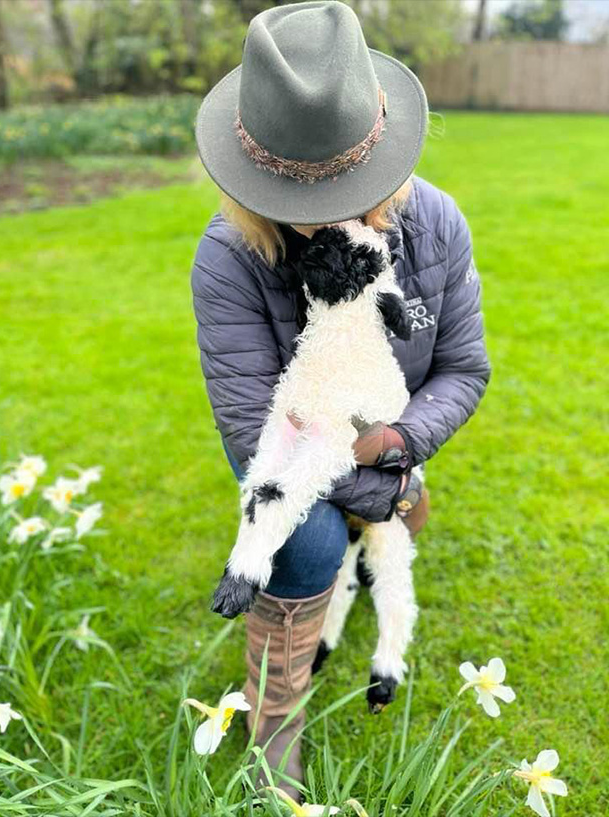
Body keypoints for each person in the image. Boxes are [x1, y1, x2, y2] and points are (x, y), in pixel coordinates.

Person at [189, 1, 491, 800]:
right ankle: (274, 712)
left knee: (374, 525)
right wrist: (386, 491)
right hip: (287, 440)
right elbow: (254, 421)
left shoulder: (438, 224)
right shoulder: (228, 258)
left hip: (380, 432)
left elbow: (462, 368)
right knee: (312, 543)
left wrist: (395, 446)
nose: (335, 214)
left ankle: (373, 537)